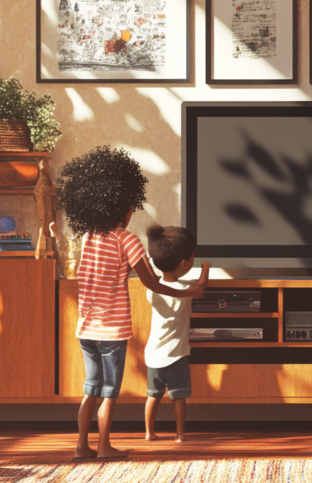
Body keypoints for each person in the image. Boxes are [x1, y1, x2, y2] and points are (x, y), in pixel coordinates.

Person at [55, 145, 204, 459]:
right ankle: (104, 446)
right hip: (112, 332)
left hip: (86, 329)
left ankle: (81, 446)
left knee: (91, 389)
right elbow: (152, 281)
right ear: (123, 209)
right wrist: (188, 292)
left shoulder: (89, 237)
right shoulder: (127, 240)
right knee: (109, 393)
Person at [143, 224, 210, 443]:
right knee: (178, 397)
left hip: (153, 355)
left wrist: (148, 259)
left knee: (152, 397)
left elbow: (150, 270)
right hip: (176, 355)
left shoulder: (151, 289)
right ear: (184, 263)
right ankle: (180, 435)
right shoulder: (185, 290)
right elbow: (200, 287)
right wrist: (206, 267)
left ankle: (148, 433)